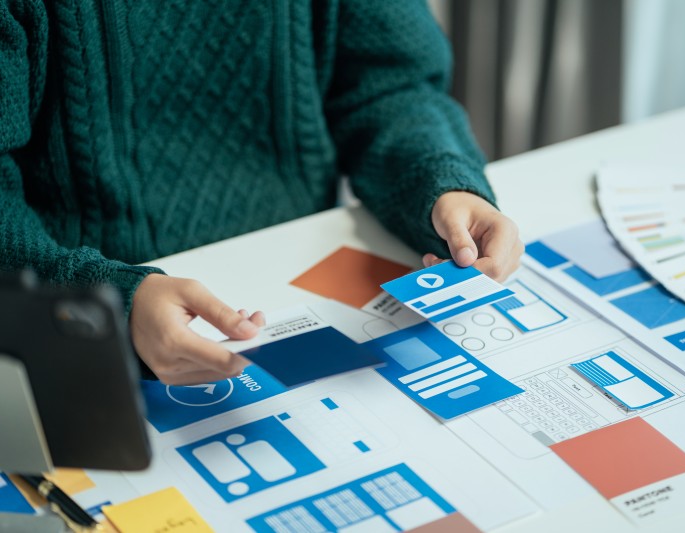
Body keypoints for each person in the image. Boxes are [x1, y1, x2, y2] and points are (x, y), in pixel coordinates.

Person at [0, 0, 522, 385]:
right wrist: (109, 299)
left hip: (299, 283)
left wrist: (439, 181)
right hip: (72, 314)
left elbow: (389, 85)